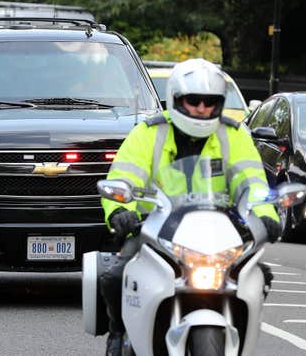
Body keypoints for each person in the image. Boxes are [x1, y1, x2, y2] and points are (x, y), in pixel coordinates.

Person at [99, 58, 281, 355]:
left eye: (210, 102)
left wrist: (266, 215)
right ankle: (118, 334)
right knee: (116, 274)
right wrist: (120, 212)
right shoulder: (149, 133)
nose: (201, 108)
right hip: (157, 229)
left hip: (219, 233)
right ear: (175, 100)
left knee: (259, 276)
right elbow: (123, 177)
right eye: (193, 100)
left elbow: (253, 183)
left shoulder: (234, 135)